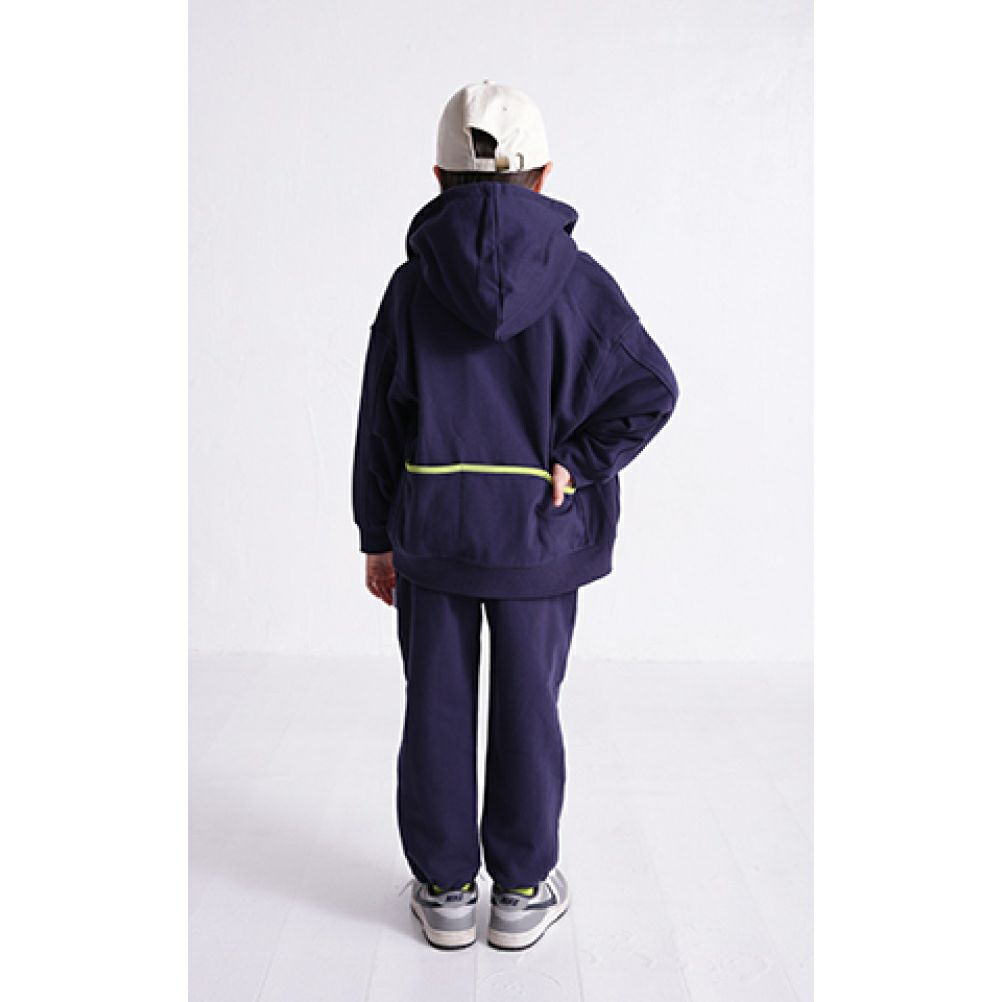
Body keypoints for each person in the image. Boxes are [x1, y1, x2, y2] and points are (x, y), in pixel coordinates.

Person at [351, 79, 679, 951]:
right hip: (539, 534)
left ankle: (446, 891)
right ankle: (523, 892)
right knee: (530, 709)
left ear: (437, 176)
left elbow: (379, 420)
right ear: (542, 176)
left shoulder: (412, 287)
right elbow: (652, 388)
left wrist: (376, 535)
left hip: (434, 535)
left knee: (436, 706)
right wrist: (579, 462)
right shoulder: (580, 284)